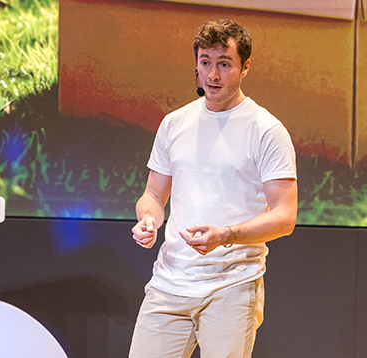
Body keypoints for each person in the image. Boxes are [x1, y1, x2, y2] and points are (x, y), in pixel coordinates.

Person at [128, 19, 298, 358]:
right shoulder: (175, 123)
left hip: (232, 284)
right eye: (205, 62)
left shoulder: (266, 130)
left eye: (224, 64)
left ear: (245, 67)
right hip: (169, 281)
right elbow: (153, 196)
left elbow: (285, 217)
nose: (213, 75)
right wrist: (149, 219)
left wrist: (226, 235)